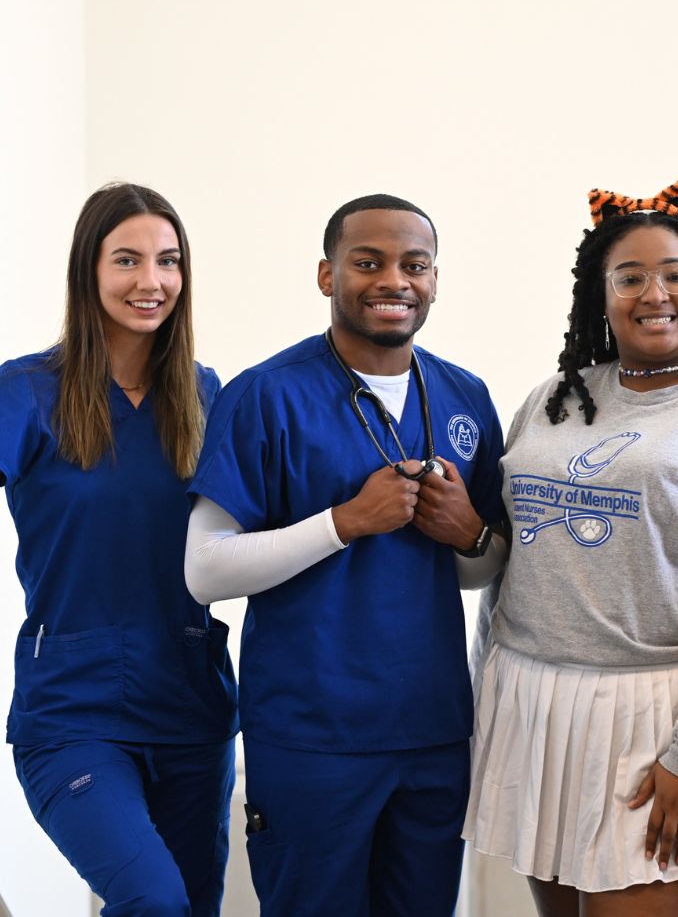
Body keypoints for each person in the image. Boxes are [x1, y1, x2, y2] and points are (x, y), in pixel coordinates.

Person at [463, 176, 678, 917]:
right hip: (538, 707)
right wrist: (486, 700)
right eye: (629, 277)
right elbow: (513, 564)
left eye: (675, 275)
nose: (654, 294)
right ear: (601, 295)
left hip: (666, 715)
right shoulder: (553, 398)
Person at [184, 193, 506, 916]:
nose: (394, 280)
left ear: (434, 280)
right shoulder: (265, 395)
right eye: (368, 262)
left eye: (414, 265)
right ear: (327, 275)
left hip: (432, 729)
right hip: (313, 734)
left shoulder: (465, 395)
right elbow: (204, 570)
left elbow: (481, 569)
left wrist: (469, 535)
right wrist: (345, 521)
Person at [0, 183, 237, 916]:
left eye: (168, 261)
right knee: (152, 900)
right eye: (127, 259)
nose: (151, 280)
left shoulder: (206, 396)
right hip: (72, 711)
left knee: (189, 907)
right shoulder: (25, 392)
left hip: (189, 705)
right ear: (89, 269)